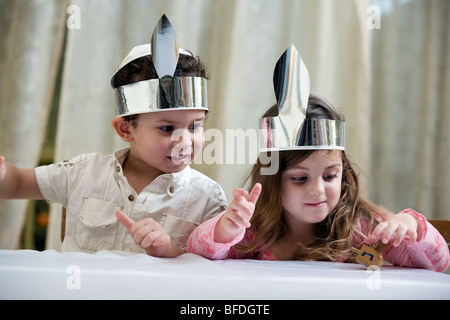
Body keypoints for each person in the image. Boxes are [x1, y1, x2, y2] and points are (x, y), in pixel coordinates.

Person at [187, 45, 450, 272]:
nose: (317, 190)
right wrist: (224, 228)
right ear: (272, 178)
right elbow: (199, 251)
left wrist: (413, 225)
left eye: (330, 176)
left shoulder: (360, 229)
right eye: (300, 178)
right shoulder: (254, 232)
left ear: (343, 172)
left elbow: (437, 265)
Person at [0, 15, 227, 257]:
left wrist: (168, 251)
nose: (184, 140)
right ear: (126, 129)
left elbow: (211, 272)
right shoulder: (83, 173)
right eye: (166, 128)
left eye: (194, 127)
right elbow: (16, 184)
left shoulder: (208, 199)